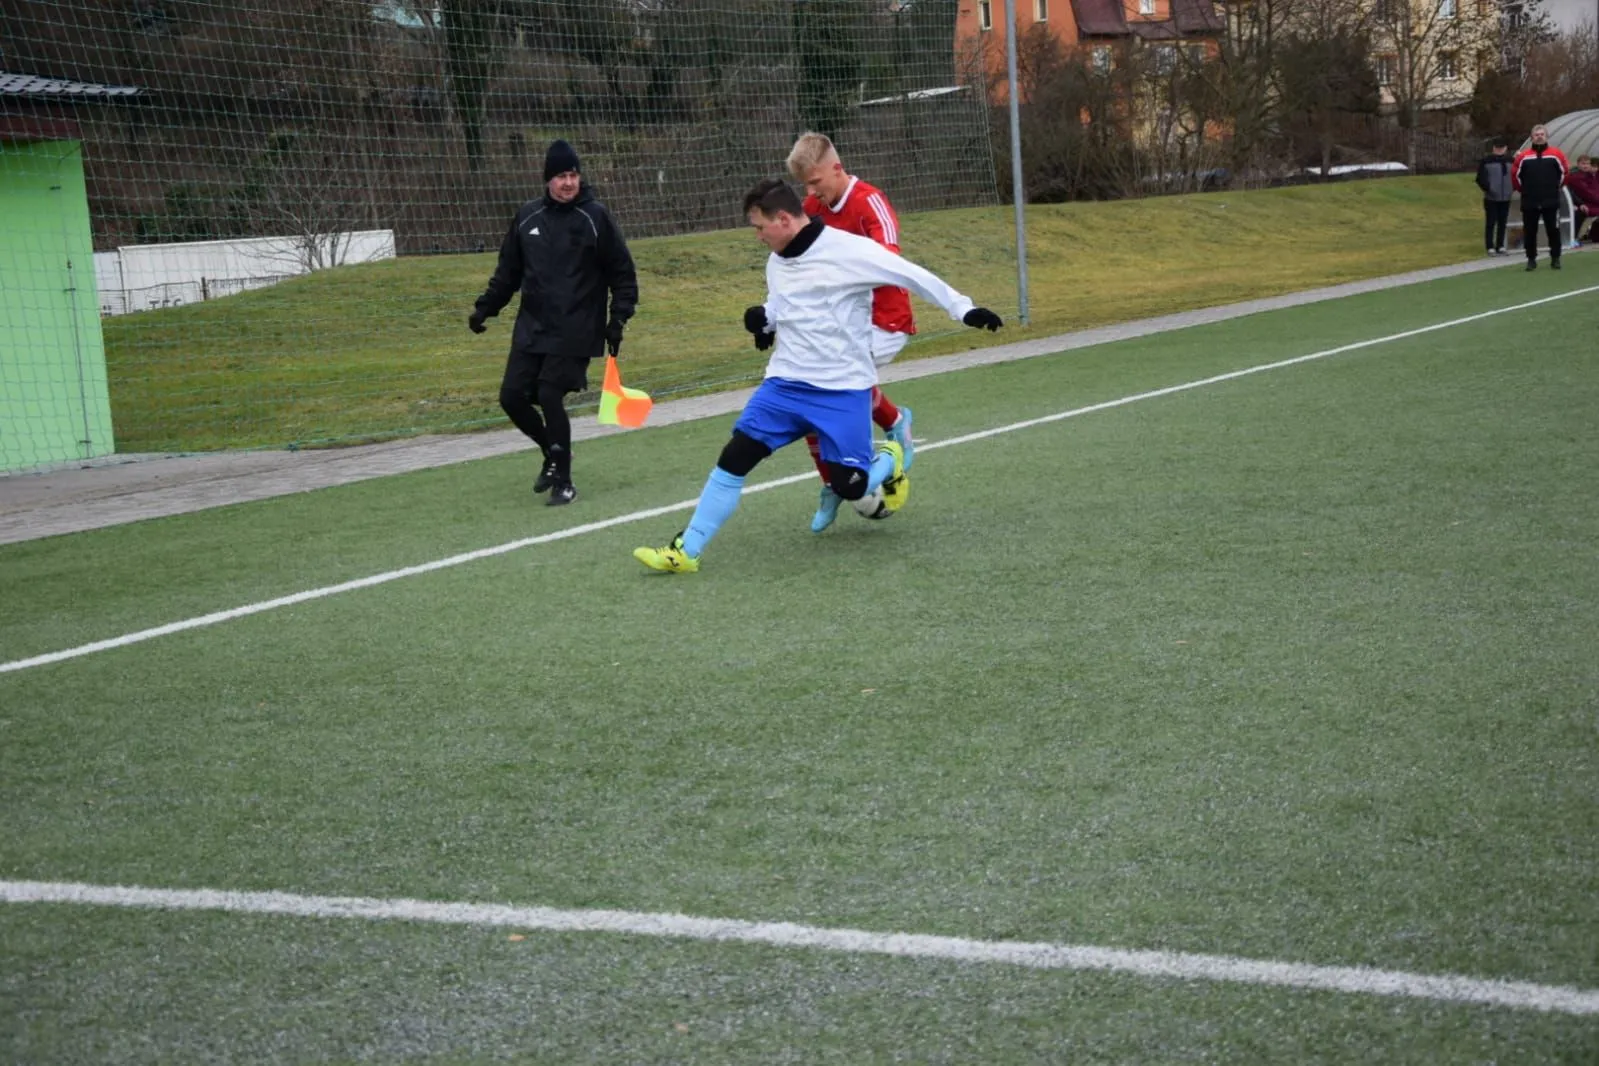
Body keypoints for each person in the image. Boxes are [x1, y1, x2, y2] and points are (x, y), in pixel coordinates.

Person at [633, 179, 1003, 574]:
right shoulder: (776, 261)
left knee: (851, 486)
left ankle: (890, 457)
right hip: (785, 386)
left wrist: (963, 309)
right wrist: (764, 319)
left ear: (784, 219)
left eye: (760, 227)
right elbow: (782, 304)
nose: (757, 236)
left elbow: (911, 274)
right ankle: (686, 550)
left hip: (842, 390)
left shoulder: (850, 251)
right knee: (734, 458)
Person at [469, 139, 638, 504]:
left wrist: (618, 318)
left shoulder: (595, 217)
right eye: (561, 176)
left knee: (548, 393)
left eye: (573, 175)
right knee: (511, 397)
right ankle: (553, 452)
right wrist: (485, 308)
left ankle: (564, 481)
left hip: (578, 326)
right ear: (548, 179)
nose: (568, 183)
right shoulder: (527, 217)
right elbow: (508, 273)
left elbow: (623, 273)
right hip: (533, 326)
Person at [787, 132, 918, 533]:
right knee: (806, 391)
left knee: (826, 389)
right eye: (805, 185)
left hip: (884, 323)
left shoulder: (869, 203)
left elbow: (890, 262)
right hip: (839, 328)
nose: (811, 193)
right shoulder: (812, 209)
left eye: (815, 182)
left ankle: (889, 429)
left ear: (837, 168)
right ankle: (834, 481)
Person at [1511, 124, 1570, 271]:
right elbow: (1515, 176)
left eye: (1542, 134)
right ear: (1532, 137)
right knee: (1530, 231)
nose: (1539, 137)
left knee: (1553, 230)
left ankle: (1555, 258)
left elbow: (1565, 173)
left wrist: (1555, 188)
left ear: (1546, 136)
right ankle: (1531, 259)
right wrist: (1525, 191)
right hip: (1529, 200)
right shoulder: (1523, 156)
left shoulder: (1556, 154)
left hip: (1550, 199)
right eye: (1536, 134)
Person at [1475, 138, 1513, 256]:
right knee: (1491, 222)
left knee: (1503, 222)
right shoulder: (1486, 161)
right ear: (1493, 148)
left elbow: (1516, 175)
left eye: (1502, 148)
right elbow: (1480, 178)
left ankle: (1500, 245)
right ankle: (1490, 246)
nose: (1499, 150)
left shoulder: (1511, 161)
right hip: (1491, 198)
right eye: (1497, 148)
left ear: (1506, 148)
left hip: (1506, 197)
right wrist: (1489, 189)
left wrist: (1512, 189)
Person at [1567, 155, 1599, 243]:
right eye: (1583, 164)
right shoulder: (1576, 177)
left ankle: (1594, 235)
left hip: (1591, 203)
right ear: (1578, 164)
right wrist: (1580, 203)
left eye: (1588, 164)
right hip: (1584, 204)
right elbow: (1588, 193)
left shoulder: (1590, 175)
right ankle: (1592, 235)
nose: (1586, 166)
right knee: (1583, 212)